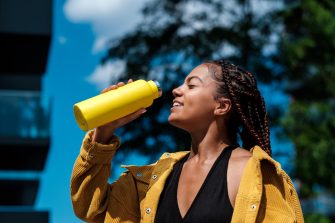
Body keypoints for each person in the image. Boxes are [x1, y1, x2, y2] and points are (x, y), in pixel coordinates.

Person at [70, 59, 304, 223]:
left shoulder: (257, 174)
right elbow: (90, 208)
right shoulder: (153, 180)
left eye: (191, 85)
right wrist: (103, 133)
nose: (176, 90)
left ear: (222, 106)